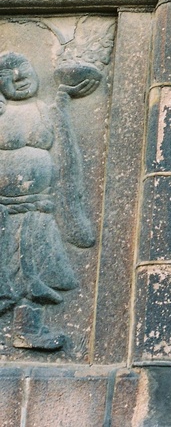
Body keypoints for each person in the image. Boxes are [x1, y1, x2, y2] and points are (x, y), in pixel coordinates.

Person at [0, 52, 99, 350]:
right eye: (7, 73)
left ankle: (27, 331)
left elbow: (64, 148)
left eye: (23, 68)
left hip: (38, 209)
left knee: (34, 276)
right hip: (5, 211)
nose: (18, 77)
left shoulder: (44, 109)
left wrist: (64, 100)